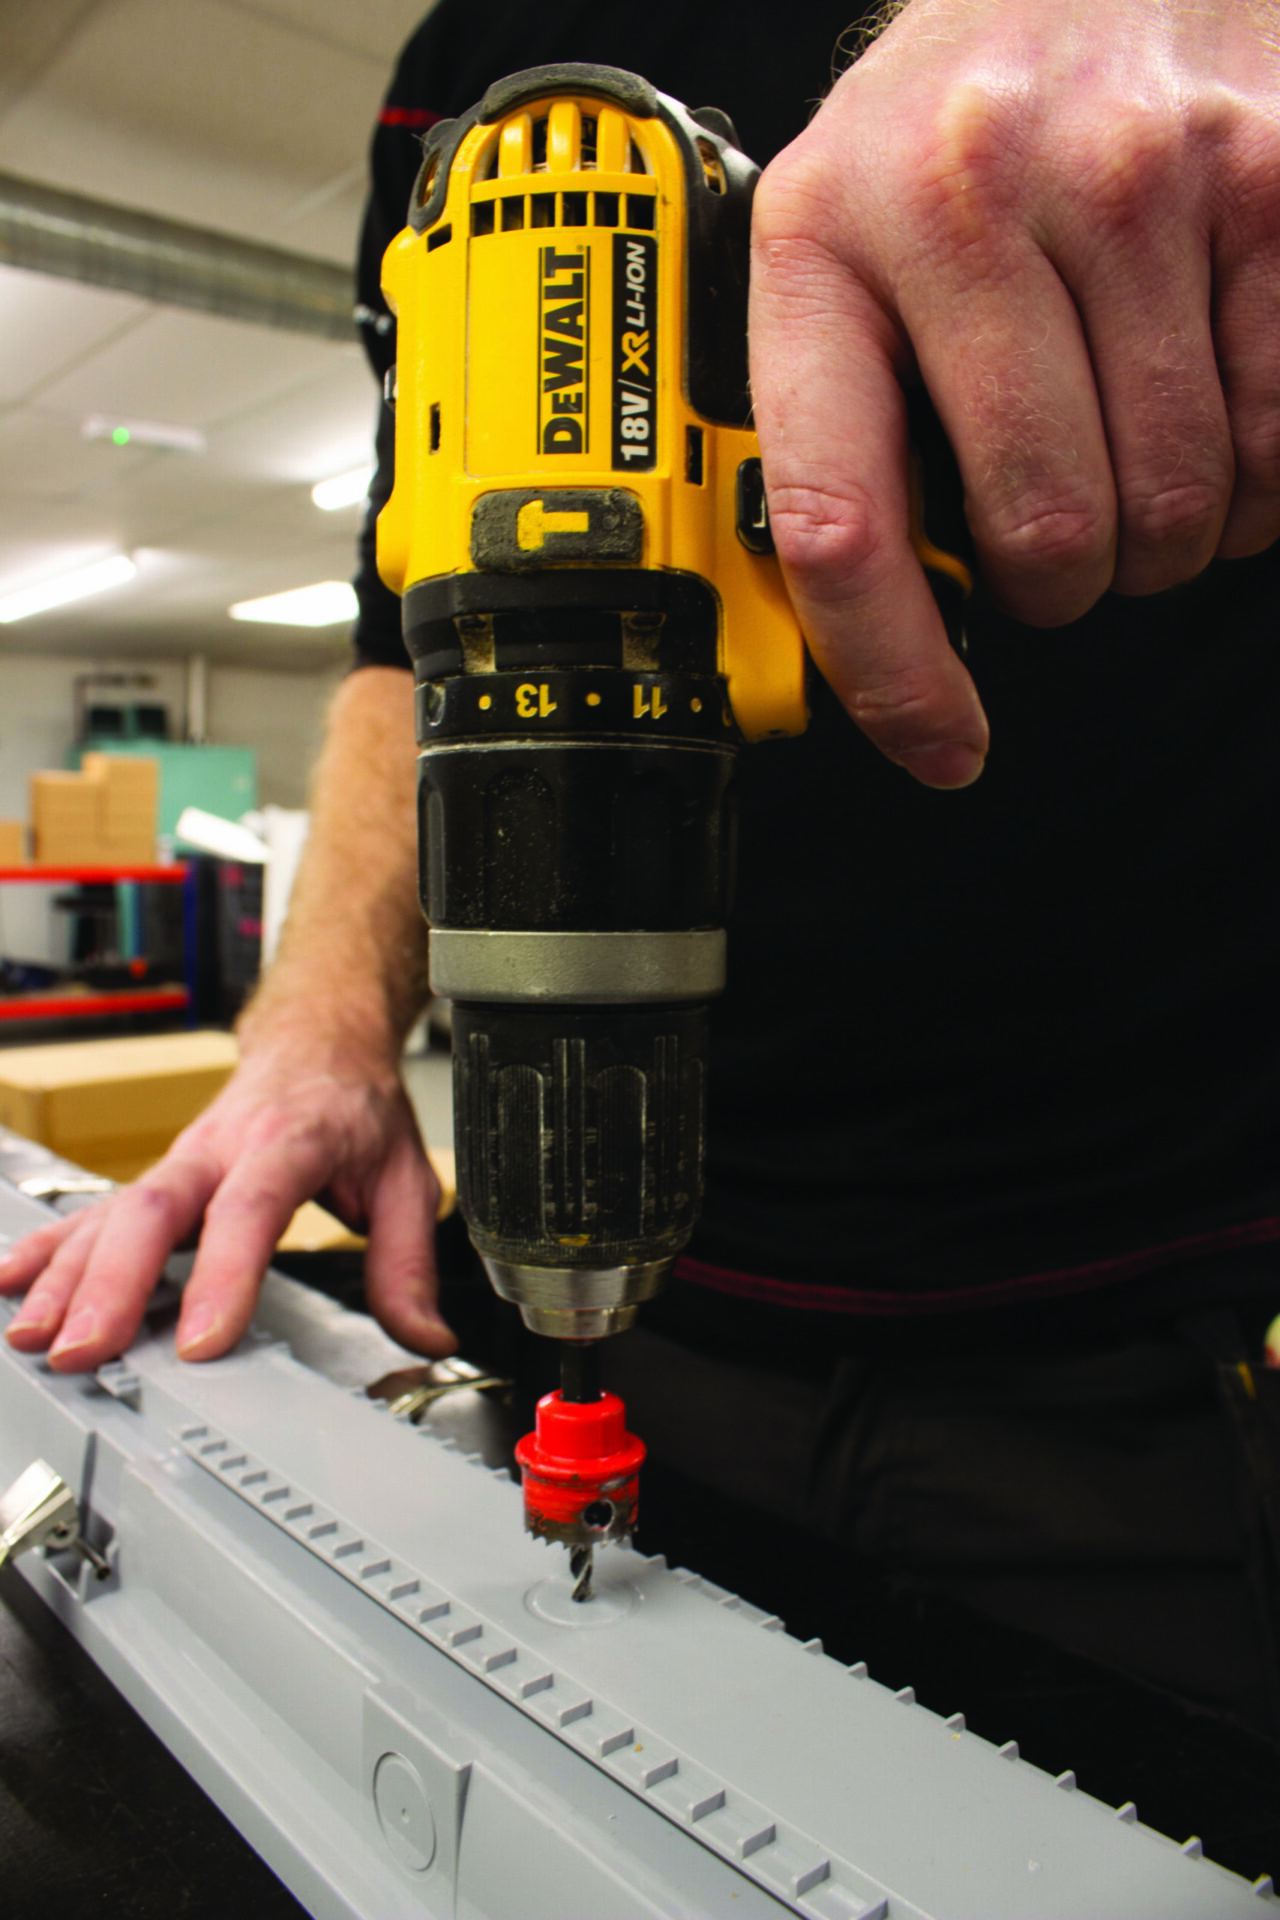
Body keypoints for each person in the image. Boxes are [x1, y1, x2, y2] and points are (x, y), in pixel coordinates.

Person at [4, 0, 1280, 1731]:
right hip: (685, 1316)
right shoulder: (473, 68)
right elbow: (420, 623)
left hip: (1153, 1340)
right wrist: (318, 1030)